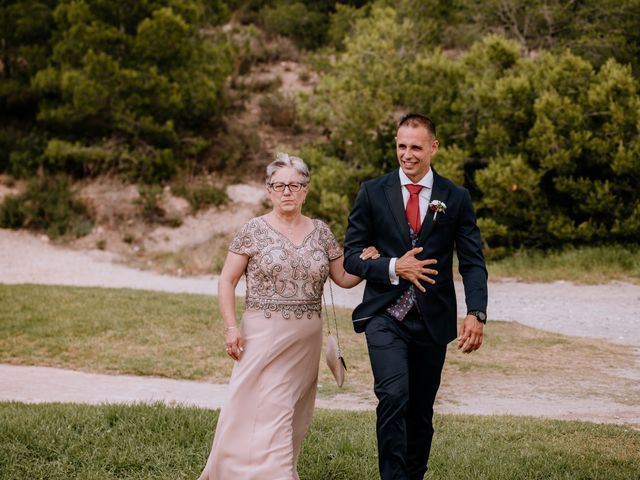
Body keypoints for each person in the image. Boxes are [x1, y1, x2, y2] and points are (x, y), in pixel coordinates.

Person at [198, 152, 378, 480]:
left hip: (306, 342)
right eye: (279, 185)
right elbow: (227, 280)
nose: (287, 192)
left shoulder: (321, 232)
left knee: (291, 411)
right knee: (264, 408)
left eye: (295, 185)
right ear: (268, 190)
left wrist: (366, 262)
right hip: (262, 336)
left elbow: (343, 278)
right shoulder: (252, 230)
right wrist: (230, 326)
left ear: (306, 190)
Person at [343, 113, 488, 479]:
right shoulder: (372, 191)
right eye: (401, 146)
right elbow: (352, 255)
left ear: (433, 148)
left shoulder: (455, 197)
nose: (407, 154)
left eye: (415, 147)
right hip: (384, 314)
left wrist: (476, 312)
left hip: (431, 320)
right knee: (393, 396)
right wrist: (392, 266)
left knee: (421, 409)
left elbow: (472, 261)